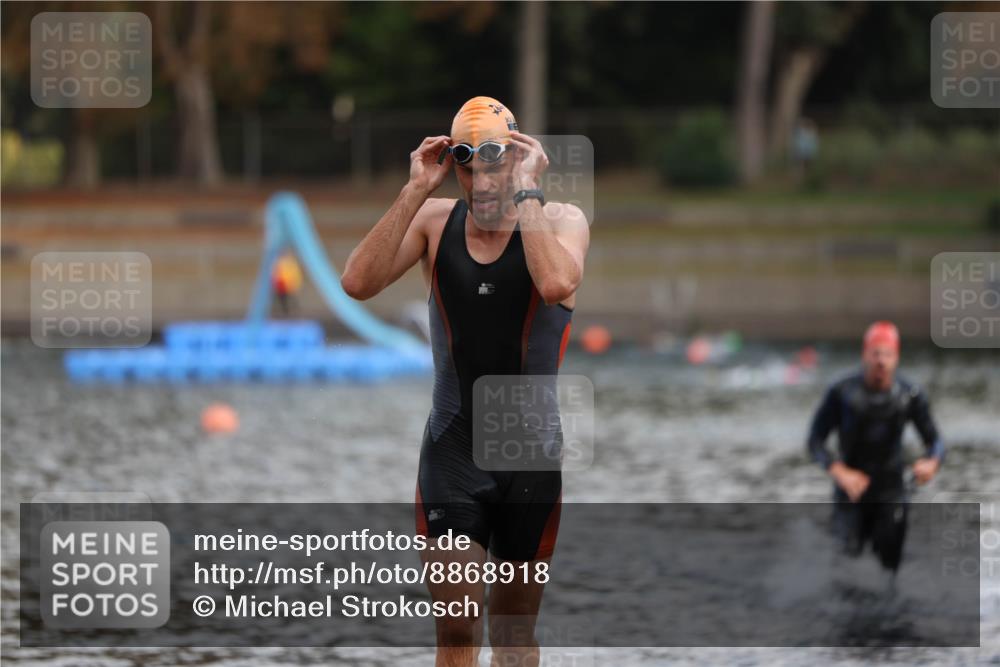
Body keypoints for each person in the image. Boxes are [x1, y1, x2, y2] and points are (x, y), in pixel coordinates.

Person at [341, 96, 589, 667]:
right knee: (456, 633)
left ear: (518, 159)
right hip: (452, 452)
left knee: (512, 638)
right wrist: (414, 190)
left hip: (530, 459)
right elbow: (357, 282)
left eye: (493, 165)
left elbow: (554, 284)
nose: (480, 181)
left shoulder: (561, 222)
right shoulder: (434, 224)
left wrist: (526, 192)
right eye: (466, 166)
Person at [807, 321, 945, 573]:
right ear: (864, 355)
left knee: (890, 570)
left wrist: (931, 462)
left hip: (891, 492)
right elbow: (814, 440)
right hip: (851, 492)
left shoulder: (910, 394)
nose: (881, 361)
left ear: (896, 357)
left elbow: (935, 441)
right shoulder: (842, 393)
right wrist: (839, 471)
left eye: (887, 354)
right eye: (875, 353)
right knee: (846, 565)